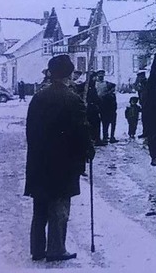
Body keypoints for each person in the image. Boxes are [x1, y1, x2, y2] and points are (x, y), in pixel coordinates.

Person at [24, 54, 94, 262]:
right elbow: (81, 131)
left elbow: (30, 131)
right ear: (69, 74)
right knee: (59, 206)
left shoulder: (38, 98)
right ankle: (56, 249)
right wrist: (88, 150)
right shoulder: (73, 99)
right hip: (63, 163)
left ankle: (37, 249)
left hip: (39, 161)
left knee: (40, 206)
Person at [95, 70, 118, 143]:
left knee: (110, 121)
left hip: (107, 105)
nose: (101, 77)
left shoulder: (106, 84)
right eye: (99, 75)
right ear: (98, 76)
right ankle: (104, 136)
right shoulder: (95, 84)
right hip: (99, 104)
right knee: (103, 122)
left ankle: (110, 136)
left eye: (102, 75)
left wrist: (108, 93)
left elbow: (113, 86)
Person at [134, 70, 148, 138]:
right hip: (143, 103)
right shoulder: (141, 83)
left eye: (140, 77)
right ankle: (145, 132)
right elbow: (135, 88)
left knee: (147, 118)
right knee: (144, 119)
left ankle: (147, 132)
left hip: (148, 103)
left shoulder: (146, 82)